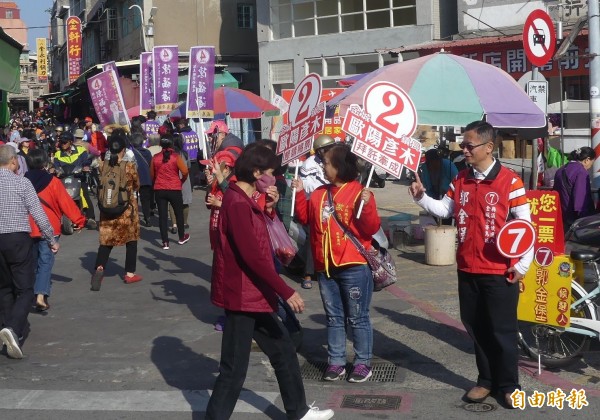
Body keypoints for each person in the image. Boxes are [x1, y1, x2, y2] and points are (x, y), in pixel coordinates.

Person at [408, 121, 533, 408]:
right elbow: (445, 210)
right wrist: (422, 197)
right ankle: (485, 381)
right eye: (463, 145)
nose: (463, 149)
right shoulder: (461, 180)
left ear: (489, 147)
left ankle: (509, 384)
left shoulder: (510, 182)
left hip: (500, 272)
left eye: (469, 145)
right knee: (476, 328)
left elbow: (526, 229)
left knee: (502, 331)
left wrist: (522, 267)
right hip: (467, 268)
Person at [205, 144, 333, 420]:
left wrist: (271, 210)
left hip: (254, 294)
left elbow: (261, 239)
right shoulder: (237, 202)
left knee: (284, 350)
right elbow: (253, 256)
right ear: (255, 172)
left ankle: (297, 411)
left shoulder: (246, 199)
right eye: (270, 174)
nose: (273, 179)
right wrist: (286, 290)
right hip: (242, 294)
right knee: (234, 368)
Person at [292, 144, 380, 383]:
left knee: (358, 317)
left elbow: (370, 228)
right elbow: (305, 218)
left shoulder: (358, 191)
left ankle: (363, 363)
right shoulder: (320, 193)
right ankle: (336, 362)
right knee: (334, 317)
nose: (323, 166)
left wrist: (369, 203)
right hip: (326, 267)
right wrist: (299, 192)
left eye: (327, 163)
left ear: (340, 166)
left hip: (353, 265)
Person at [0, 145, 60, 359]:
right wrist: (51, 239)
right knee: (25, 289)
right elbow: (39, 214)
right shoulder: (22, 183)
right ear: (14, 161)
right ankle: (13, 329)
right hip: (17, 239)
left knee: (5, 288)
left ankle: (8, 330)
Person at [24, 149, 86, 311]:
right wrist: (79, 220)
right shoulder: (53, 182)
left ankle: (29, 293)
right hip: (49, 228)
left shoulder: (22, 182)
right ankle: (40, 295)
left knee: (32, 262)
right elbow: (66, 203)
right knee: (45, 262)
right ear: (45, 163)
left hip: (27, 227)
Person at [90, 134, 142, 291]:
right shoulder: (129, 166)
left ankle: (99, 268)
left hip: (107, 208)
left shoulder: (102, 165)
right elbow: (136, 184)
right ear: (123, 149)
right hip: (126, 208)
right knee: (131, 240)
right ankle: (130, 273)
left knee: (106, 241)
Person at [297, 135, 337, 289]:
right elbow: (306, 186)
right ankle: (307, 273)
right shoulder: (309, 163)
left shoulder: (336, 160)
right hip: (314, 202)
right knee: (312, 238)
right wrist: (321, 189)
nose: (329, 151)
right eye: (326, 149)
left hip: (333, 201)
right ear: (320, 151)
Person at [151, 134, 190, 250]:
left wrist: (157, 181)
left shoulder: (155, 157)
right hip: (174, 188)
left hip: (160, 189)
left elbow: (152, 174)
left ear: (160, 145)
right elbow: (185, 172)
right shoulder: (176, 157)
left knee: (162, 216)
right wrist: (180, 181)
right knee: (179, 214)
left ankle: (165, 242)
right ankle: (182, 237)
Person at [54, 131, 97, 229]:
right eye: (61, 142)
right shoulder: (58, 154)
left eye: (65, 142)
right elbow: (56, 165)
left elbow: (86, 160)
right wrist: (55, 170)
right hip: (64, 179)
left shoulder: (81, 150)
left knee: (84, 194)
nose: (63, 144)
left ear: (70, 142)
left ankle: (91, 217)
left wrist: (85, 166)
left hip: (79, 178)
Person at [553, 146, 596, 232]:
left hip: (560, 216)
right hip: (574, 219)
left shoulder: (560, 170)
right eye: (592, 163)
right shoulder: (581, 172)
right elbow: (580, 200)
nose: (590, 166)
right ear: (587, 160)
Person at [419, 148, 458, 225]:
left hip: (450, 197)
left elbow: (458, 182)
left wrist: (446, 192)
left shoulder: (448, 165)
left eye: (437, 161)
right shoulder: (424, 168)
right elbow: (426, 187)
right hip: (434, 196)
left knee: (448, 221)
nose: (434, 164)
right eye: (431, 163)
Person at [168, 134, 193, 233]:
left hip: (172, 179)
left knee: (172, 203)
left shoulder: (170, 155)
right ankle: (184, 222)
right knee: (185, 202)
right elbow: (189, 167)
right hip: (184, 179)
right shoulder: (185, 154)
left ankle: (174, 225)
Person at [130, 132, 153, 227]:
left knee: (133, 199)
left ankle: (134, 218)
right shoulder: (147, 152)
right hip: (146, 178)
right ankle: (147, 218)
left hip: (134, 178)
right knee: (145, 200)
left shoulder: (131, 153)